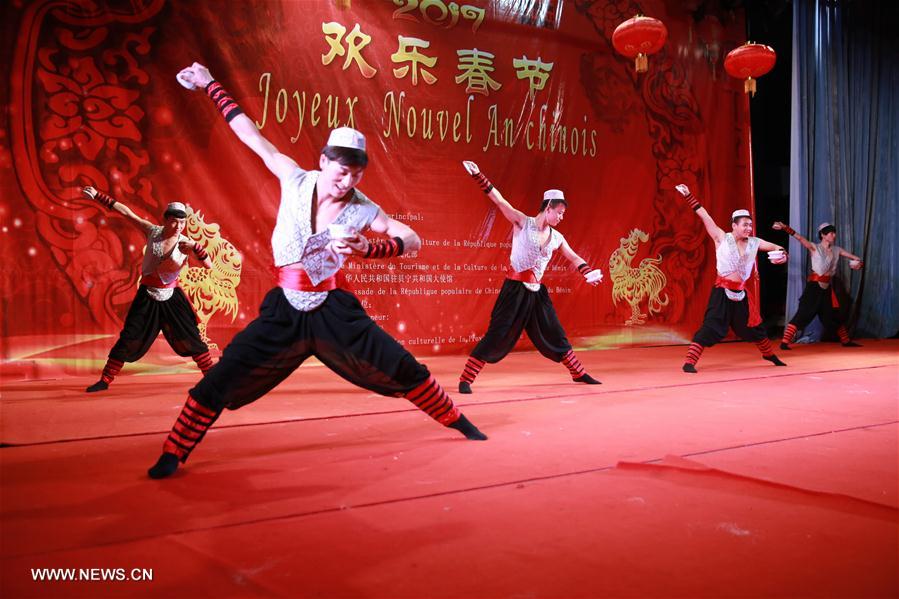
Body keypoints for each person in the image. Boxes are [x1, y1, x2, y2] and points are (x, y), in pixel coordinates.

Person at [147, 63, 487, 479]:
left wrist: (372, 247)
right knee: (227, 372)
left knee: (400, 364)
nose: (348, 181)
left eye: (357, 174)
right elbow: (250, 134)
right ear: (323, 161)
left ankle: (458, 420)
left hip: (333, 308)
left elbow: (412, 239)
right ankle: (174, 450)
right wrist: (210, 84)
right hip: (284, 309)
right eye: (342, 171)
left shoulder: (364, 208)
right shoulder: (293, 179)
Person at [456, 161, 604, 394]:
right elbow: (499, 200)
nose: (562, 217)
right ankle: (466, 378)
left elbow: (574, 257)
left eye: (563, 214)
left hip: (537, 293)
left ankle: (578, 373)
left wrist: (588, 272)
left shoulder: (557, 237)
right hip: (514, 290)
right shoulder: (522, 223)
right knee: (497, 333)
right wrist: (478, 175)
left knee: (554, 332)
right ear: (549, 208)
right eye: (560, 213)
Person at [81, 186, 214, 392]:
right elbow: (125, 212)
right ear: (165, 219)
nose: (179, 226)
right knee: (129, 336)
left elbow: (209, 266)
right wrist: (99, 196)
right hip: (147, 296)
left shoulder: (187, 243)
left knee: (191, 338)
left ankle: (213, 379)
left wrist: (197, 249)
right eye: (174, 221)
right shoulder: (153, 232)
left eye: (182, 222)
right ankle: (105, 380)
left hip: (172, 297)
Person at [674, 184, 788, 373]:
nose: (749, 228)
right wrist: (689, 195)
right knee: (711, 326)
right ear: (734, 225)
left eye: (750, 225)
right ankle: (689, 362)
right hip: (722, 292)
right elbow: (705, 216)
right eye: (745, 224)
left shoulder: (754, 242)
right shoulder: (721, 237)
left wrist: (783, 255)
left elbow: (777, 247)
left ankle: (769, 354)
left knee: (754, 328)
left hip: (741, 294)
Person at [774, 221, 864, 349]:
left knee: (833, 316)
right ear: (823, 235)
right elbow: (799, 238)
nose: (834, 235)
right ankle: (784, 343)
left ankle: (846, 341)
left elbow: (855, 258)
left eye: (834, 233)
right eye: (831, 233)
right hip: (814, 288)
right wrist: (785, 228)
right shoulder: (814, 247)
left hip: (827, 289)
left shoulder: (836, 250)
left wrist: (859, 263)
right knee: (803, 314)